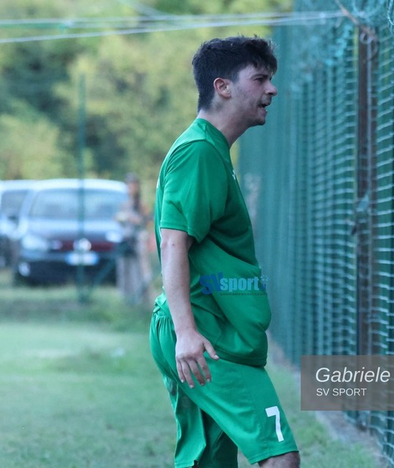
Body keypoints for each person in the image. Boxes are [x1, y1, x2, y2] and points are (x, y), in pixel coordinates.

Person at [149, 36, 300, 467]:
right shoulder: (198, 152)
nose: (271, 90)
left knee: (206, 462)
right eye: (260, 79)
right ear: (223, 87)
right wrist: (186, 334)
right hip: (205, 334)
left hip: (204, 329)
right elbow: (172, 241)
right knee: (279, 457)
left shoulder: (213, 151)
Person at [115, 172, 151, 304]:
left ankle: (145, 298)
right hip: (126, 239)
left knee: (141, 271)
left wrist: (132, 218)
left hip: (138, 240)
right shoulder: (124, 204)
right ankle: (127, 298)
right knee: (125, 269)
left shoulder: (141, 204)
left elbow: (146, 222)